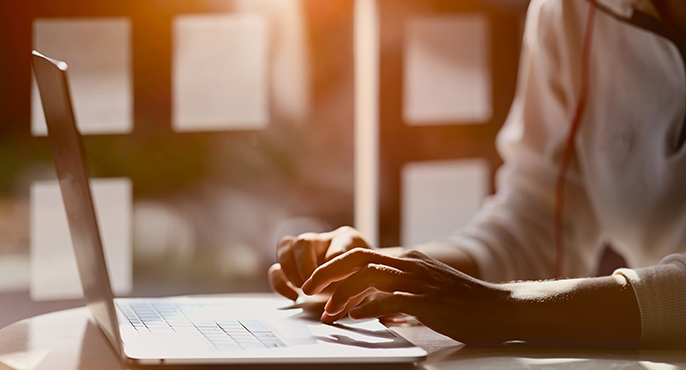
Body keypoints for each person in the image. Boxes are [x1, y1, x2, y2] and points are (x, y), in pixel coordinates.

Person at [268, 0, 686, 347]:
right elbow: (535, 223)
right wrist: (390, 272)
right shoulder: (573, 11)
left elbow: (501, 302)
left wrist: (506, 309)